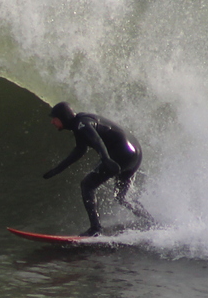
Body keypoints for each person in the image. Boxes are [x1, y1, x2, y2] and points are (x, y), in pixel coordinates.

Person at [42, 101, 151, 236]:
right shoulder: (80, 123)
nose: (52, 122)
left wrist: (106, 159)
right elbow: (79, 151)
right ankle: (151, 221)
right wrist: (57, 169)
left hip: (121, 154)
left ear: (63, 118)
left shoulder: (81, 125)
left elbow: (96, 140)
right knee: (122, 197)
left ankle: (95, 229)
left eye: (55, 119)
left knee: (87, 185)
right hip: (134, 154)